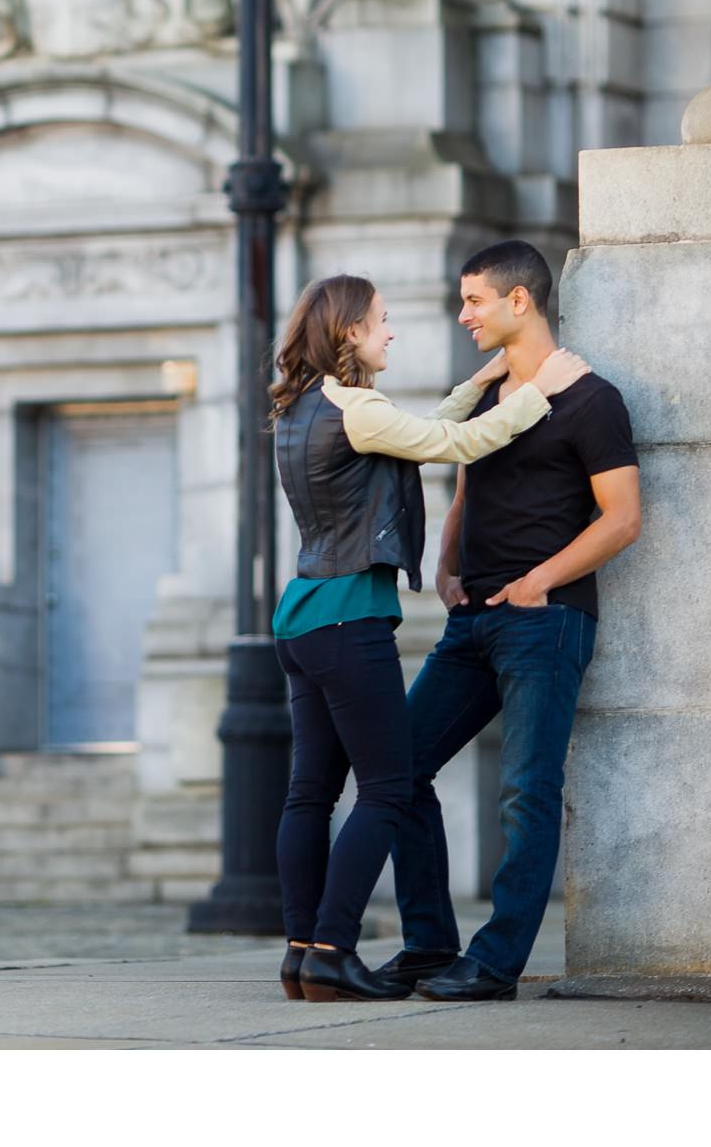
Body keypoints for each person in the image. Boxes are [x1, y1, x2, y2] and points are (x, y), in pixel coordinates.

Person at [269, 273, 590, 1004]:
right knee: (385, 787)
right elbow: (453, 443)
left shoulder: (300, 407)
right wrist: (541, 391)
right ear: (349, 331)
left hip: (302, 615)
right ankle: (332, 949)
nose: (389, 333)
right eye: (381, 322)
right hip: (350, 615)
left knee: (309, 794)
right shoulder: (358, 409)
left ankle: (299, 955)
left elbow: (406, 435)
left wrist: (477, 377)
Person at [369, 240, 641, 1002]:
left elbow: (621, 520)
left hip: (544, 620)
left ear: (519, 301)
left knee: (525, 789)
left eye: (473, 300)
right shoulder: (488, 398)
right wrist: (448, 565)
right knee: (397, 768)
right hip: (471, 621)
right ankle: (428, 945)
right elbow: (462, 493)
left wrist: (537, 583)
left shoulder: (592, 400)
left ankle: (494, 965)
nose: (463, 315)